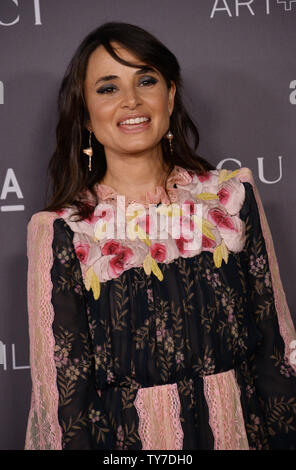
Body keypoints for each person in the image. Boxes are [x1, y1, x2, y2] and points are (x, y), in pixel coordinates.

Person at [25, 22, 296, 450]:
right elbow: (66, 399)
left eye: (145, 80)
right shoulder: (64, 229)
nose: (131, 100)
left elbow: (273, 352)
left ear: (169, 95)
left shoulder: (230, 199)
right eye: (108, 88)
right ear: (85, 114)